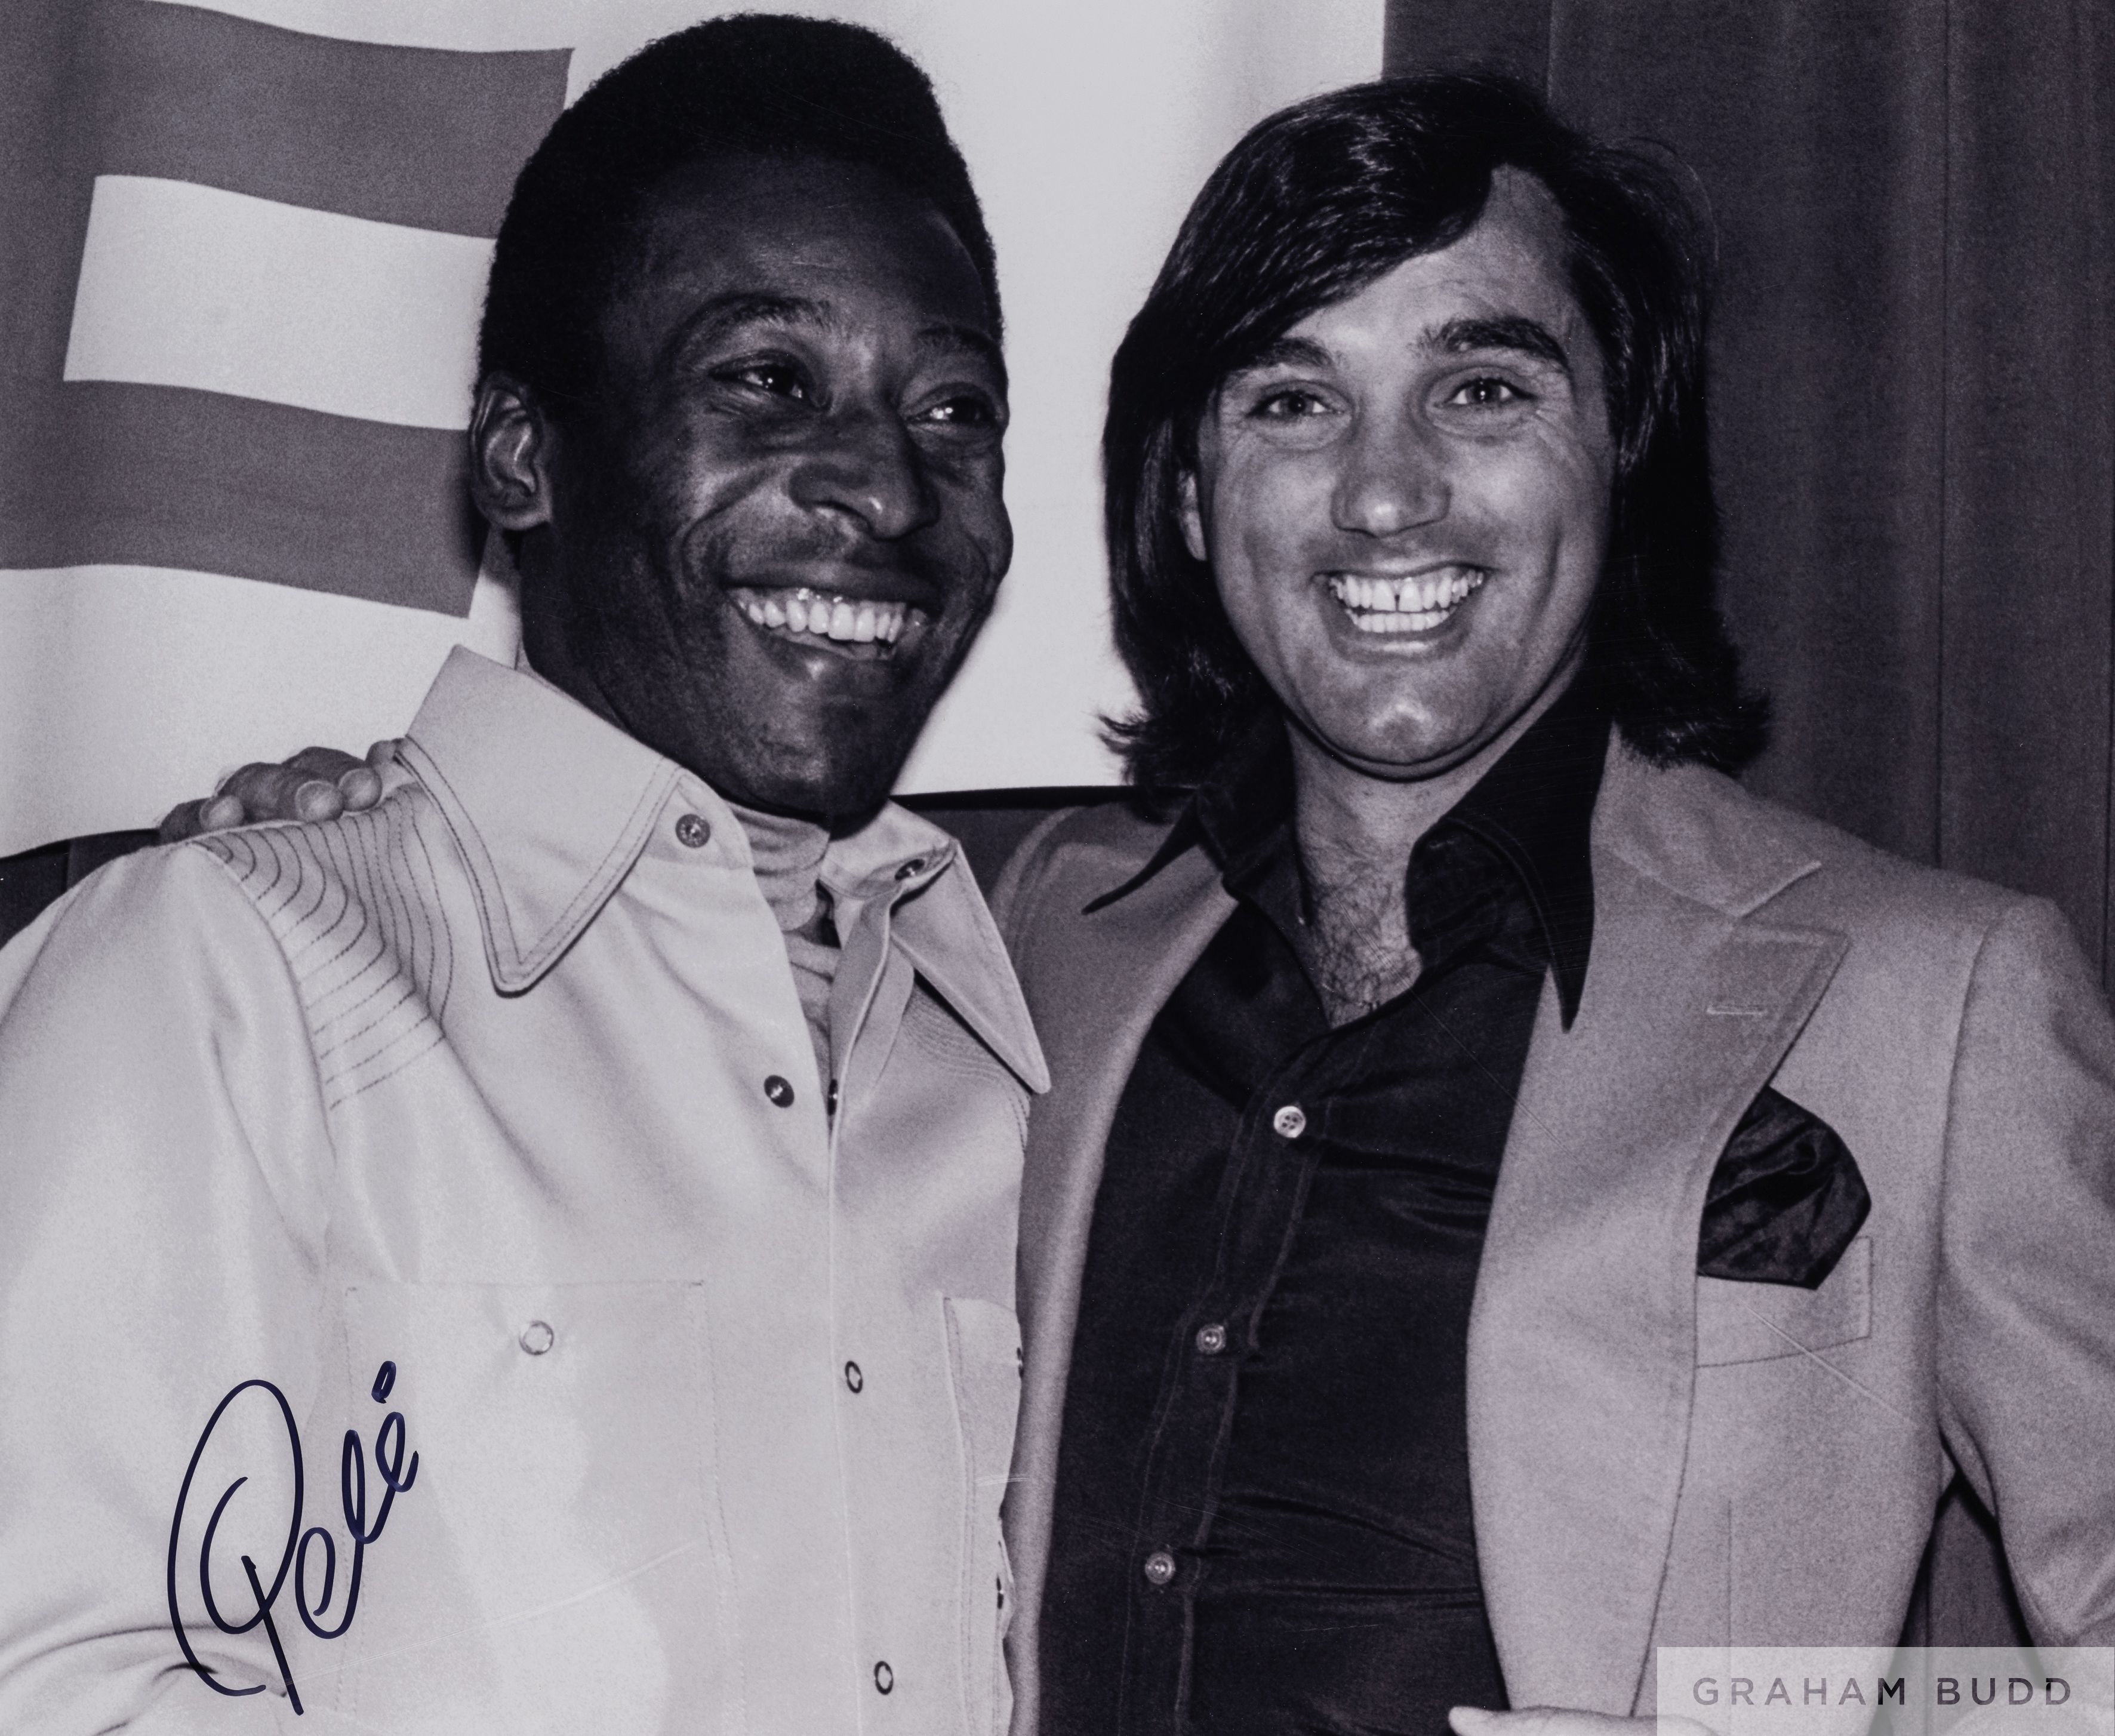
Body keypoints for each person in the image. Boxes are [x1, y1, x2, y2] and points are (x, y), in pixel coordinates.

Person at [155, 70, 2115, 1736]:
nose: (1386, 497)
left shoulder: (1929, 1000)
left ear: (1619, 446)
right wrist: (342, 827)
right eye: (1291, 402)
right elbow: (592, 953)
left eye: (1484, 388)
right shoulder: (1014, 944)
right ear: (1185, 496)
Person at [0, 17, 1043, 1734]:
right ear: (521, 458)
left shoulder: (985, 1041)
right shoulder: (228, 972)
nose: (886, 480)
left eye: (954, 408)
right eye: (767, 379)